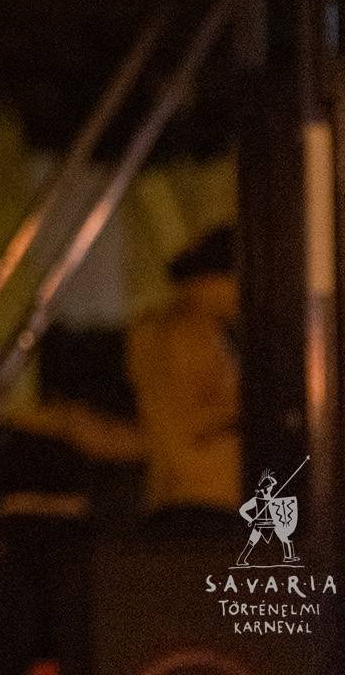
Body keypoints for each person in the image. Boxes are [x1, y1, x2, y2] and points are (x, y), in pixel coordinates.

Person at [125, 225, 241, 538]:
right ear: (216, 279)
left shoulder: (150, 331)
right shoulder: (196, 336)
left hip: (167, 494)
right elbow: (193, 418)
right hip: (208, 497)